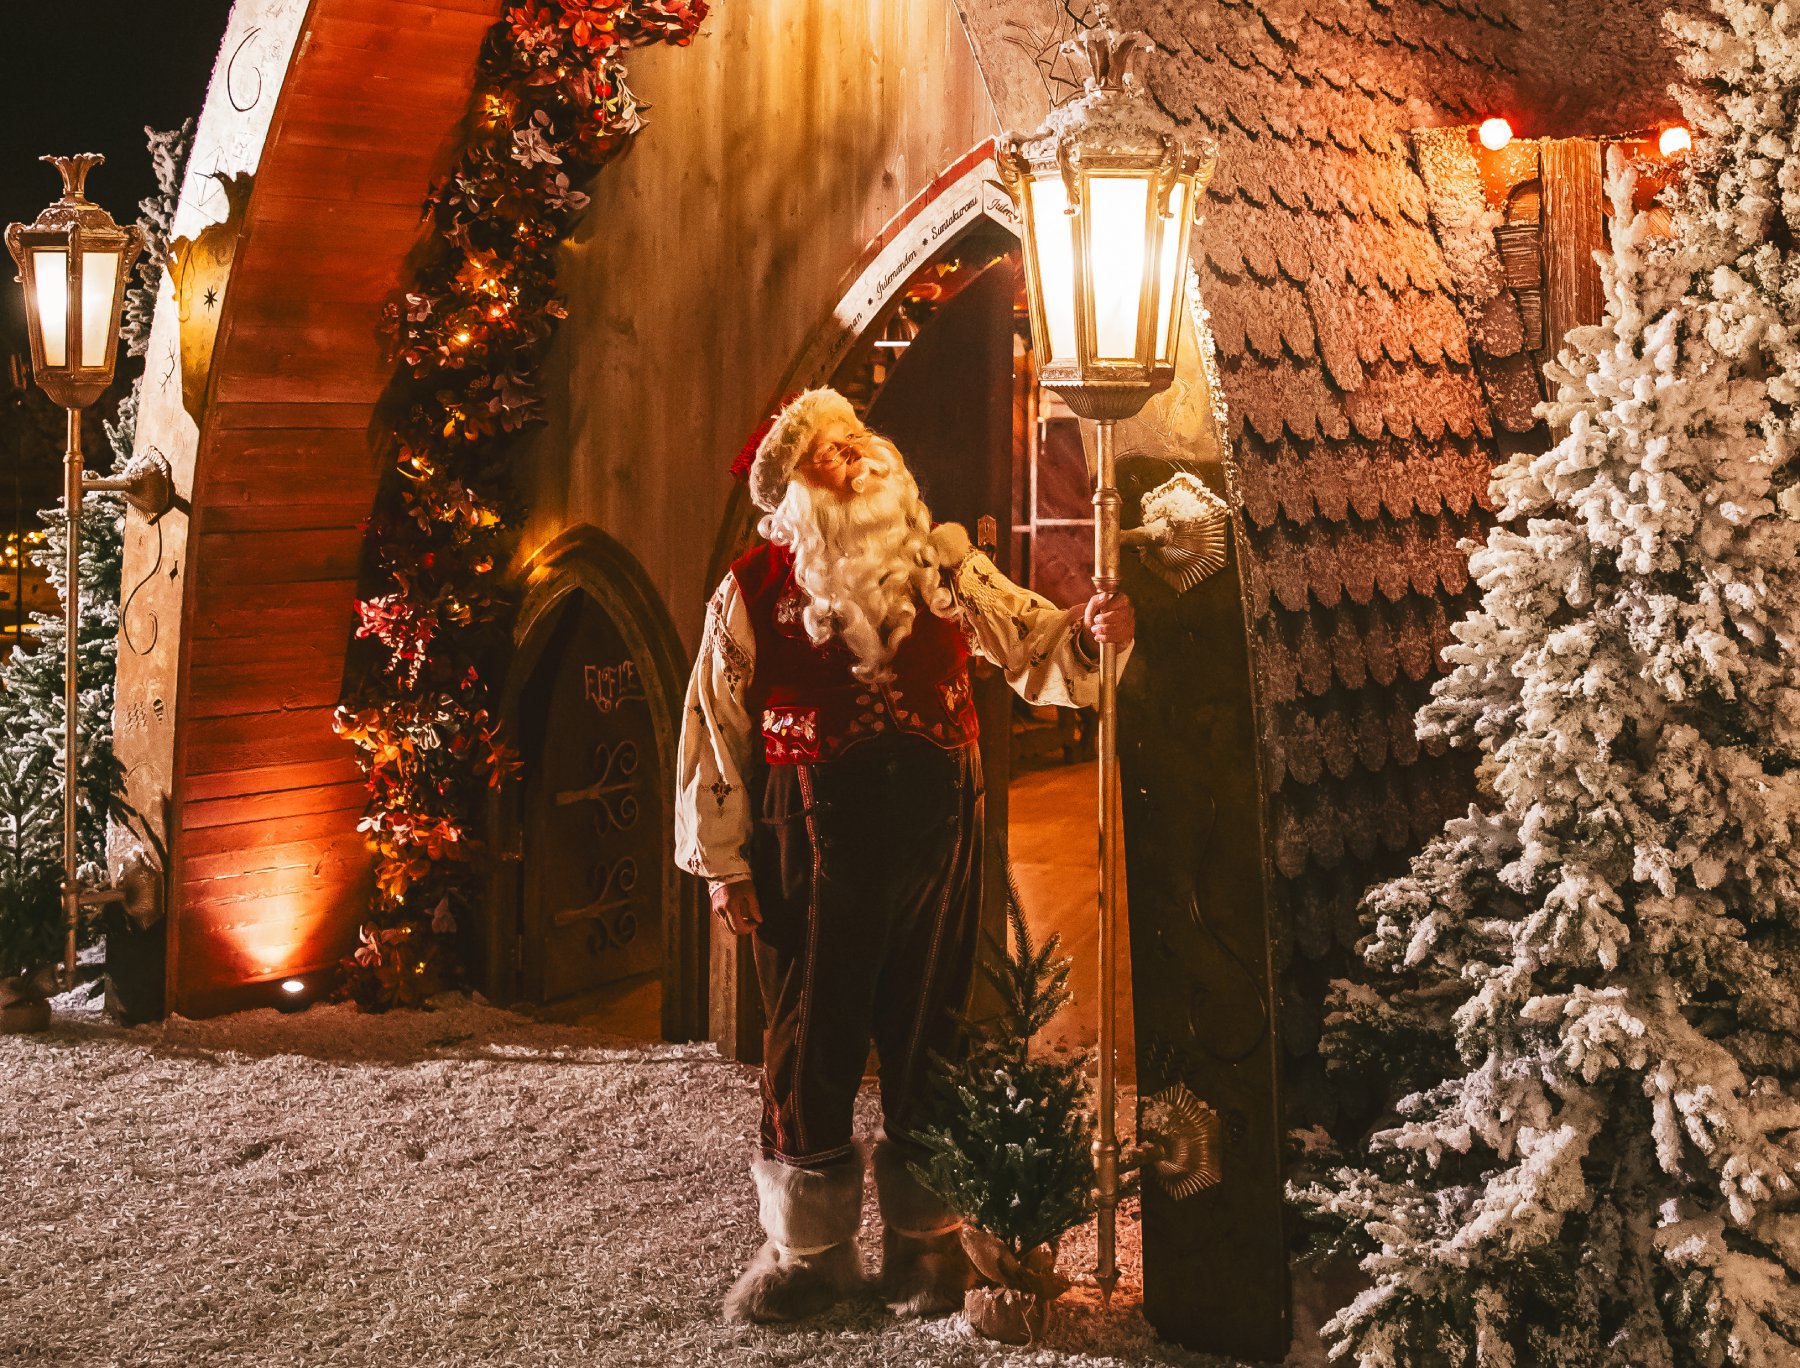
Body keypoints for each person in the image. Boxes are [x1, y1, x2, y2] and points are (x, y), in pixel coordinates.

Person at [674, 387, 1134, 1323]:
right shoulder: (753, 590)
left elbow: (1036, 645)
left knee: (936, 1041)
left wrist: (1090, 637)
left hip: (938, 849)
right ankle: (810, 1256)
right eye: (827, 454)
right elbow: (712, 733)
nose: (855, 459)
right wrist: (725, 868)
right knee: (811, 1044)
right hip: (807, 856)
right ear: (795, 490)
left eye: (857, 440)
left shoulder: (946, 571)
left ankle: (928, 1248)